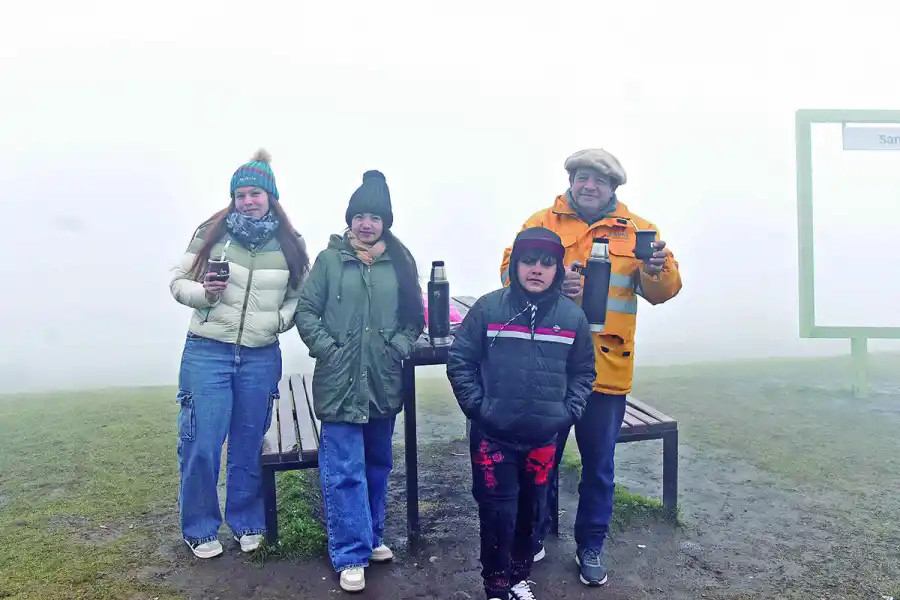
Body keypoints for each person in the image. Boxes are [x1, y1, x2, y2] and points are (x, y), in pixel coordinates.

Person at [499, 148, 683, 586]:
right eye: (582, 177)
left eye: (598, 181)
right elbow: (509, 273)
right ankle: (536, 533)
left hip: (606, 369)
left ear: (613, 189)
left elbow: (664, 291)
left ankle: (591, 545)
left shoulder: (640, 232)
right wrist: (556, 281)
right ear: (571, 180)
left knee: (599, 465)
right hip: (550, 365)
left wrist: (656, 270)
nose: (588, 186)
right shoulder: (540, 223)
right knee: (540, 458)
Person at [170, 149, 310, 559]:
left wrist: (277, 323)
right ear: (233, 198)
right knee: (202, 443)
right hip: (207, 351)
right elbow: (178, 282)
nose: (248, 201)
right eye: (241, 194)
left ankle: (248, 522)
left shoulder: (291, 243)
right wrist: (206, 295)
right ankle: (199, 527)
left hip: (260, 355)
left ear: (271, 196)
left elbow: (298, 299)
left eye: (256, 193)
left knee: (249, 444)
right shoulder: (211, 233)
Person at [294, 170, 425, 593]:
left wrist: (397, 348)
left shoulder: (400, 263)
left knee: (377, 465)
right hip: (339, 382)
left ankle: (370, 538)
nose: (366, 224)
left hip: (383, 382)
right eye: (359, 216)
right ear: (349, 219)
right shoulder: (330, 260)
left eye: (375, 217)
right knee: (344, 470)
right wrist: (328, 349)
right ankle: (350, 553)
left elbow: (413, 319)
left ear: (386, 221)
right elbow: (306, 311)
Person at [448, 227, 596, 600]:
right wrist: (479, 408)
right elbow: (460, 361)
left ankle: (517, 579)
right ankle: (495, 586)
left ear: (557, 270)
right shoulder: (488, 308)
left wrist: (567, 412)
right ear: (514, 264)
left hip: (544, 440)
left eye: (547, 263)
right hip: (492, 438)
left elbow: (583, 372)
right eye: (528, 261)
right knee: (497, 517)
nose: (536, 270)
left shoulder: (572, 317)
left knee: (532, 517)